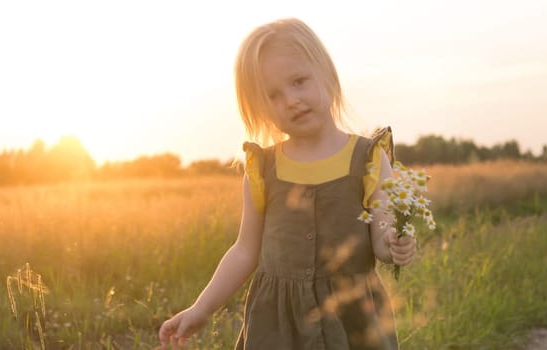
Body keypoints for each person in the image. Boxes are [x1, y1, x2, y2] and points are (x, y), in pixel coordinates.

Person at [159, 17, 416, 349]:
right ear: (260, 109)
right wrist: (202, 308)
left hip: (351, 321)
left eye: (299, 81)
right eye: (273, 96)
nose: (291, 100)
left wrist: (395, 243)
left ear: (327, 74)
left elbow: (381, 235)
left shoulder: (368, 157)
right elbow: (244, 251)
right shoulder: (263, 167)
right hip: (278, 326)